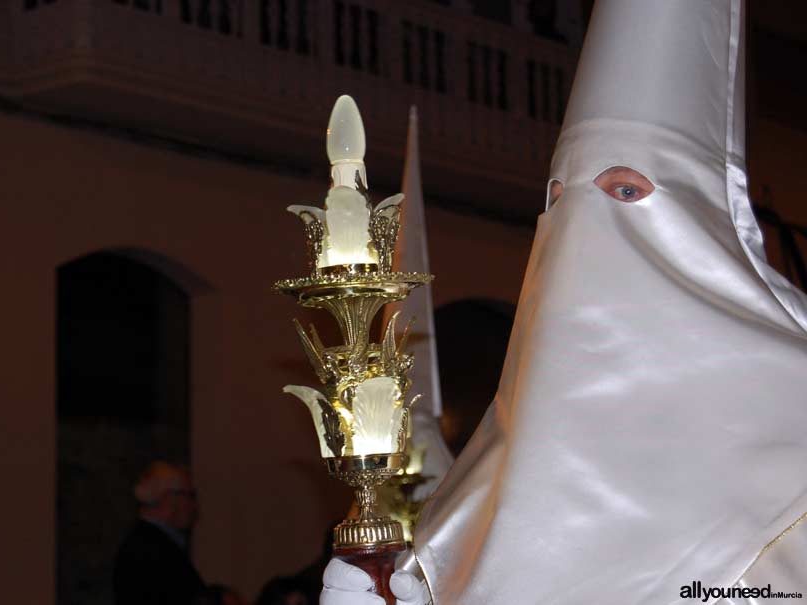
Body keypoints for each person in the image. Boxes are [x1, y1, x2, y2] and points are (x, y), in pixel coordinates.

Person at [322, 0, 807, 603]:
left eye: (624, 190)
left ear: (711, 220)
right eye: (557, 200)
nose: (579, 227)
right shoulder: (478, 489)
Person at [114, 461, 204, 605]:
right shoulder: (151, 549)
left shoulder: (146, 543)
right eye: (190, 496)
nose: (194, 506)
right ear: (170, 499)